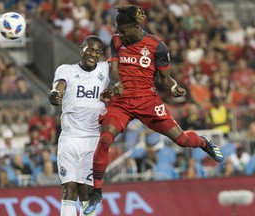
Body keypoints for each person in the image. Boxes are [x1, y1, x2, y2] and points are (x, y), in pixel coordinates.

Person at [83, 5, 224, 214]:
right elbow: (114, 70)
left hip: (148, 101)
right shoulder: (116, 41)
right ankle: (96, 192)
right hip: (121, 102)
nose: (121, 34)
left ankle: (204, 142)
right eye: (118, 30)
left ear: (135, 26)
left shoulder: (157, 47)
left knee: (182, 140)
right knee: (104, 140)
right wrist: (117, 83)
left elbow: (165, 80)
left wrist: (175, 87)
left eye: (124, 30)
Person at [48, 35, 109, 216]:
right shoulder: (66, 70)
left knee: (87, 192)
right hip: (70, 138)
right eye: (90, 49)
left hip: (93, 139)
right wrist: (55, 95)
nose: (93, 54)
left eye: (98, 51)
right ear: (81, 48)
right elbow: (58, 87)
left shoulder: (105, 70)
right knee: (69, 188)